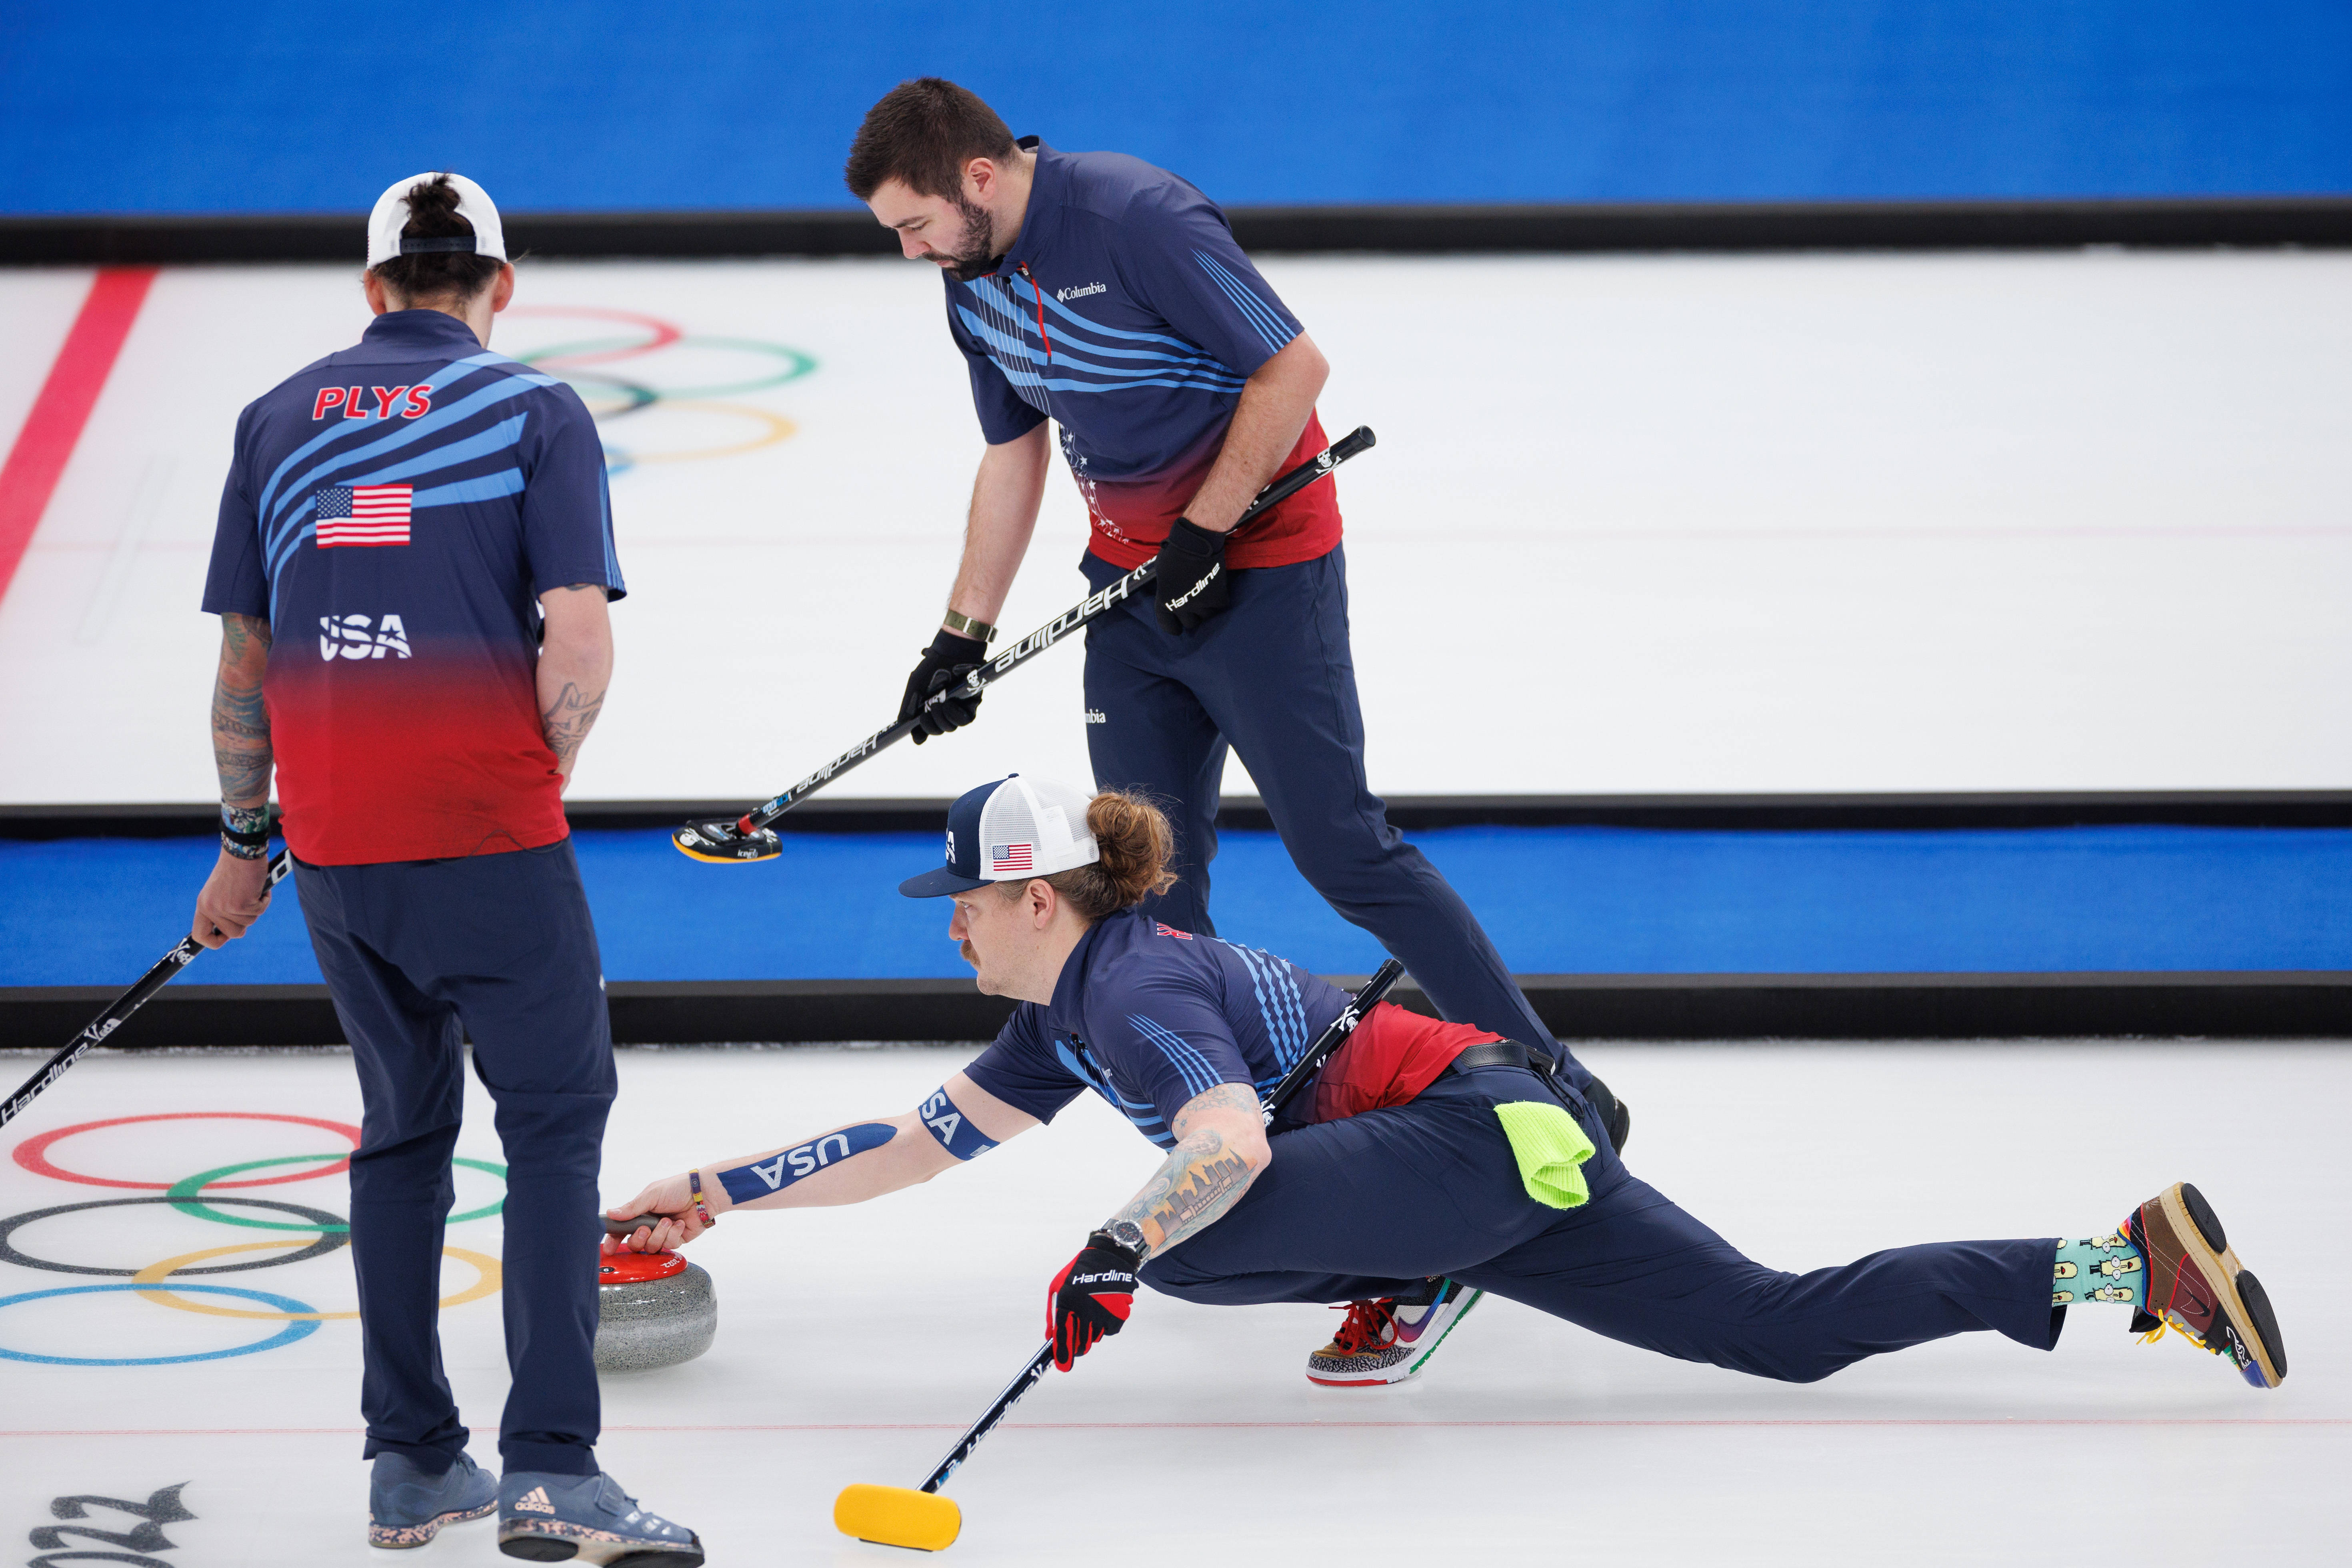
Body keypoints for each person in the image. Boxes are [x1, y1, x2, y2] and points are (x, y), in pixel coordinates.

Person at [604, 776, 2287, 1400]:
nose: (951, 923)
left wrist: (1117, 1246)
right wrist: (713, 1186)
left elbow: (1228, 1139)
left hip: (1476, 1134)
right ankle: (2120, 1261)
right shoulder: (1063, 1010)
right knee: (1782, 1328)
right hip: (1497, 1148)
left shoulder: (1132, 984)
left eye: (963, 898)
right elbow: (916, 1145)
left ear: (1038, 897)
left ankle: (1423, 1266)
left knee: (1190, 1245)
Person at [840, 80, 1632, 1153]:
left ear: (977, 178)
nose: (910, 252)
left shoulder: (1136, 217)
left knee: (1342, 849)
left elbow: (1294, 366)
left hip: (1264, 573)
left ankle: (1559, 1087)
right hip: (1129, 594)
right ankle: (1227, 1141)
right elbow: (1013, 448)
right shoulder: (971, 275)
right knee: (1148, 884)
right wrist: (960, 636)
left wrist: (1210, 531)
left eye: (913, 224)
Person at [190, 171, 700, 1564]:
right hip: (486, 834)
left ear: (374, 289)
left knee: (402, 1132)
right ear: (499, 283)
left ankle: (413, 1461)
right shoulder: (535, 412)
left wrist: (248, 842)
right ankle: (553, 1470)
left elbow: (244, 663)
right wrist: (531, 776)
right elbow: (579, 644)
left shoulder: (277, 416)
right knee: (550, 1127)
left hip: (337, 848)